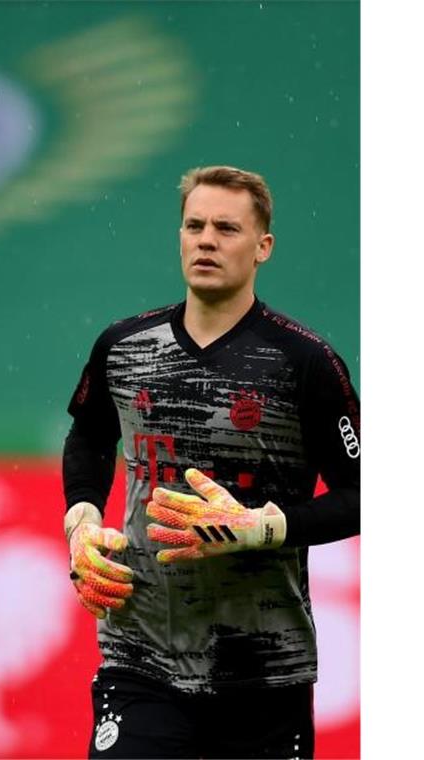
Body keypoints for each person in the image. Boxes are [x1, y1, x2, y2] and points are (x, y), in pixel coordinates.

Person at [62, 165, 360, 759]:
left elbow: (367, 495)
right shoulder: (123, 346)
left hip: (263, 668)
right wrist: (82, 524)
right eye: (194, 225)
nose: (206, 239)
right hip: (138, 659)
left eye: (226, 227)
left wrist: (263, 528)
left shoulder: (304, 362)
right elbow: (90, 436)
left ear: (262, 247)